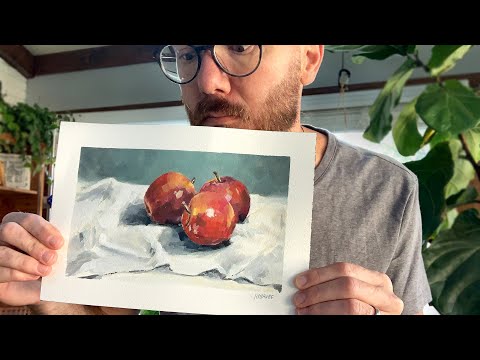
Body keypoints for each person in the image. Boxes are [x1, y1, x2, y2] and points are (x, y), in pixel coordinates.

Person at [0, 45, 431, 315]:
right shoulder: (127, 218)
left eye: (241, 46)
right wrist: (52, 304)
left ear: (309, 59)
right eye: (189, 54)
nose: (207, 81)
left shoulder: (388, 192)